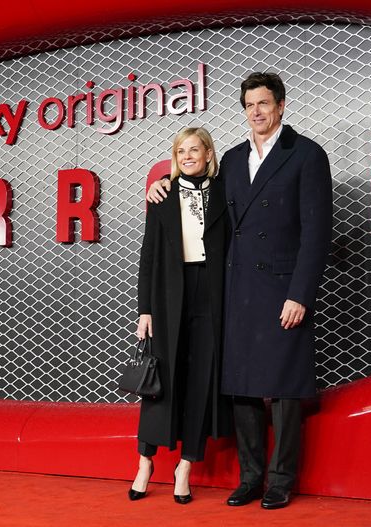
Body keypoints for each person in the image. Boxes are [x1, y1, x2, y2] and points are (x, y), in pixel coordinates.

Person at [146, 72, 332, 509]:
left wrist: (301, 293)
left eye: (264, 103)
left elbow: (317, 233)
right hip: (236, 289)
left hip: (284, 289)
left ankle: (281, 480)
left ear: (281, 105)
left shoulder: (306, 155)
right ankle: (251, 477)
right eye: (250, 105)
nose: (257, 112)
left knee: (284, 390)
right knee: (244, 385)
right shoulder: (230, 159)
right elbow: (198, 193)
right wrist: (164, 187)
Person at [130, 127, 233, 504]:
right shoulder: (162, 194)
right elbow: (149, 256)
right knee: (161, 380)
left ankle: (185, 467)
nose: (187, 156)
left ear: (208, 153)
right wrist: (145, 309)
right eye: (180, 150)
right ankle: (145, 462)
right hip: (169, 292)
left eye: (194, 149)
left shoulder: (226, 191)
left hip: (212, 294)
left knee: (201, 381)